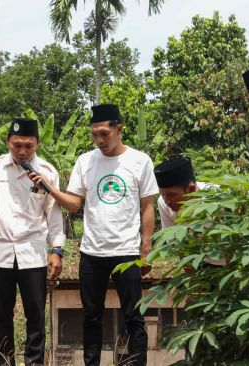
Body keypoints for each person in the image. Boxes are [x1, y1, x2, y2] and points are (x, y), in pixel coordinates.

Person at [29, 104, 157, 365]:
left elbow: (148, 206)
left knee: (134, 316)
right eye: (94, 135)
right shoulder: (85, 161)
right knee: (91, 315)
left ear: (118, 129)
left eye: (104, 134)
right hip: (92, 253)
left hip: (127, 251)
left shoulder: (139, 160)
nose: (99, 140)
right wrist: (50, 188)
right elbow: (75, 204)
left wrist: (146, 248)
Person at [0, 117, 66, 366]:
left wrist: (57, 249)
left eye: (28, 146)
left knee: (35, 314)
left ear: (38, 144)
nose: (22, 151)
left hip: (32, 252)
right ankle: (4, 362)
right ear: (7, 142)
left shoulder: (47, 172)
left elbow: (54, 213)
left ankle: (35, 363)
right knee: (2, 314)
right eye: (16, 145)